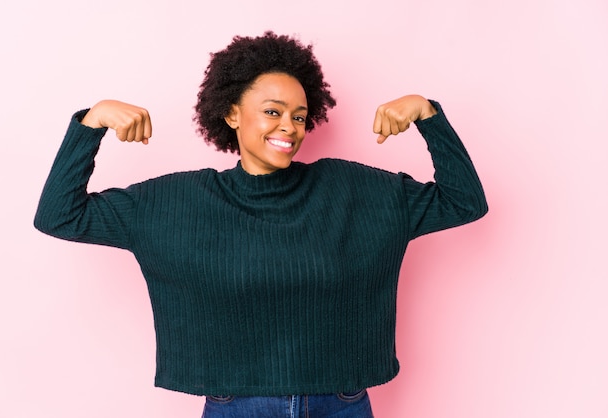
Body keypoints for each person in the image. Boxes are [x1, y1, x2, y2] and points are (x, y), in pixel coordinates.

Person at [34, 31, 488, 417]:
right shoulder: (172, 201)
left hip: (340, 403)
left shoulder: (357, 191)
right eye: (272, 111)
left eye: (299, 116)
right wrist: (91, 124)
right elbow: (60, 215)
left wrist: (428, 115)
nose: (288, 126)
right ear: (231, 114)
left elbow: (464, 202)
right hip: (236, 406)